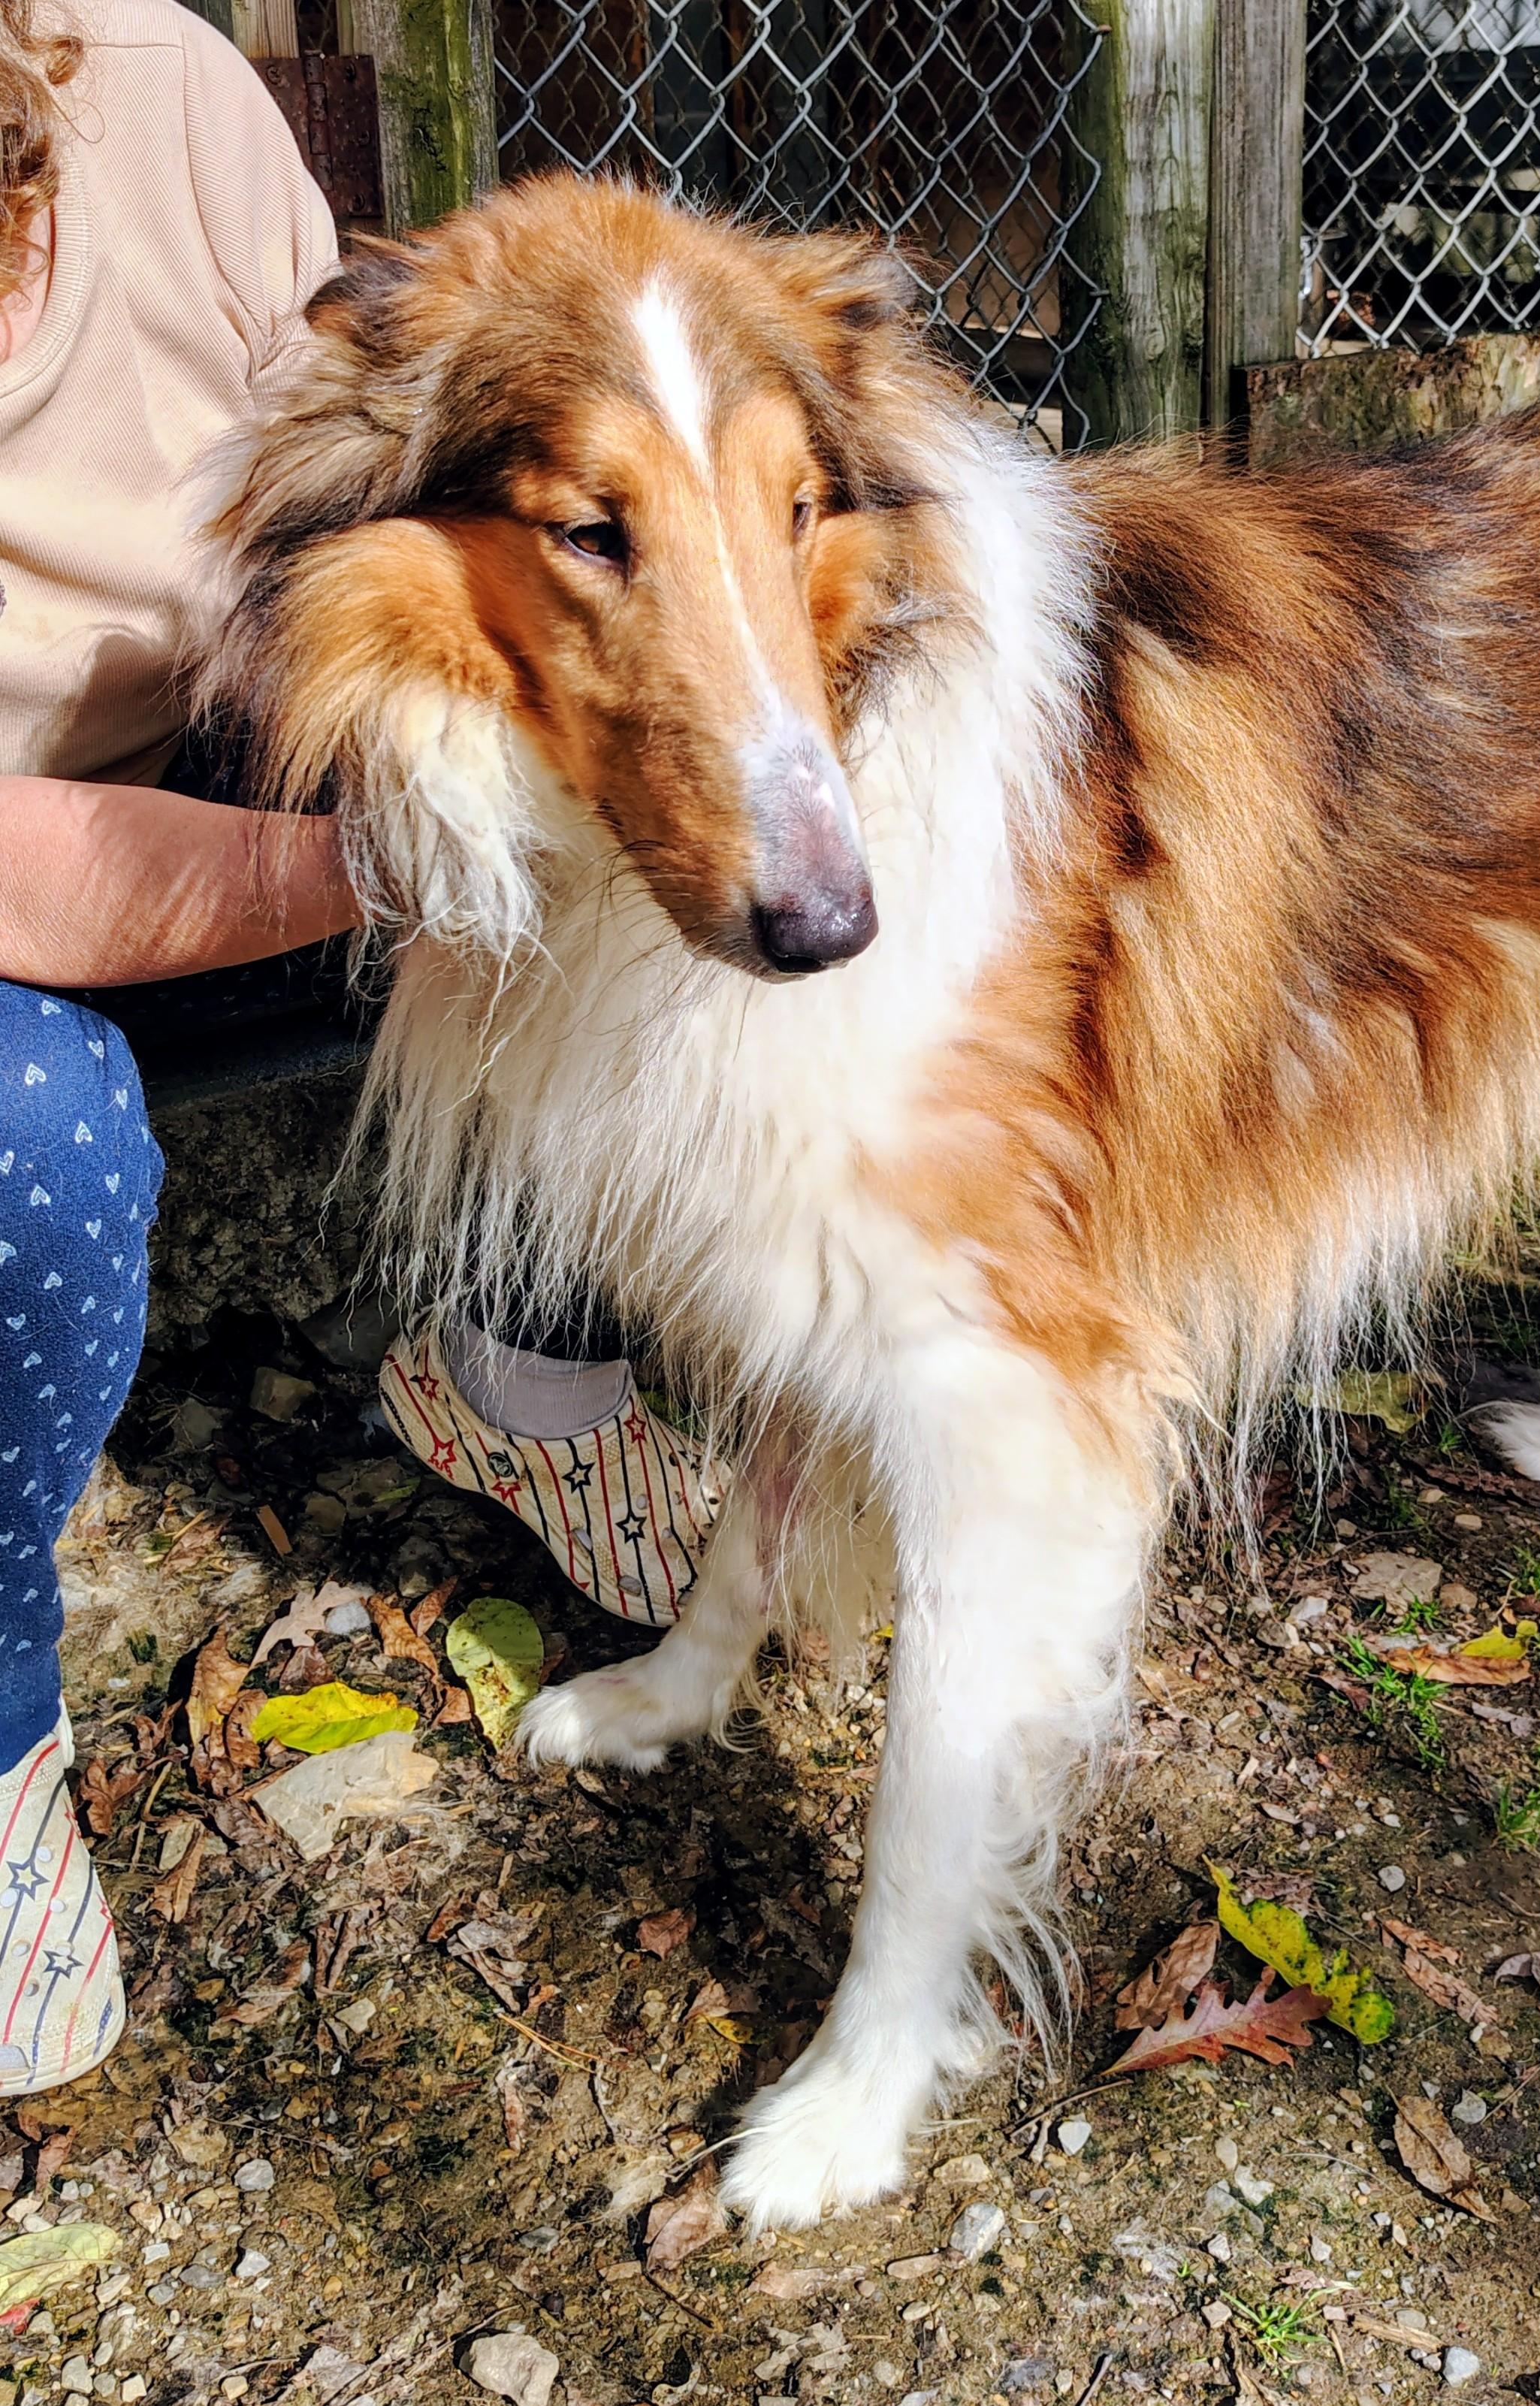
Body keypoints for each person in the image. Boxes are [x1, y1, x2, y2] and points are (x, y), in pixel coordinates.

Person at [0, 0, 713, 2102]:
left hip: (226, 726)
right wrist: (398, 866)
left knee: (572, 787)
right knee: (26, 1142)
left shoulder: (146, 75)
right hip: (30, 878)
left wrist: (494, 734)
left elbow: (382, 446)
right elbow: (31, 880)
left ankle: (524, 1373)